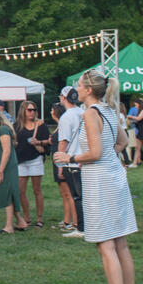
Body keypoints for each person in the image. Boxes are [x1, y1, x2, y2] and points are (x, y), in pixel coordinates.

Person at [53, 69, 136, 284]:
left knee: (106, 245)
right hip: (114, 177)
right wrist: (109, 156)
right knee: (121, 243)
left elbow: (96, 153)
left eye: (79, 85)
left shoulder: (91, 113)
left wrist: (69, 156)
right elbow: (120, 143)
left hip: (100, 181)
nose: (76, 89)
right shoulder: (109, 110)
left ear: (88, 90)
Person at [0, 107, 28, 234]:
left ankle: (9, 226)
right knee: (6, 193)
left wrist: (1, 170)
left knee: (7, 193)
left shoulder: (3, 130)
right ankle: (20, 221)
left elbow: (7, 151)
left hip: (6, 167)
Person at [13, 100, 49, 228]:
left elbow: (48, 141)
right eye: (29, 110)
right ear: (23, 111)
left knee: (37, 189)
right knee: (21, 191)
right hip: (21, 160)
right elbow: (14, 142)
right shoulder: (16, 126)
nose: (32, 112)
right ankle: (27, 217)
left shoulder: (41, 125)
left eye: (34, 110)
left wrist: (38, 142)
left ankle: (39, 218)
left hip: (35, 159)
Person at [58, 87, 85, 238]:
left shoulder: (66, 117)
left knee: (77, 196)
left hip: (72, 160)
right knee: (85, 196)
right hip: (85, 158)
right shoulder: (83, 112)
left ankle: (81, 228)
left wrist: (60, 164)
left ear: (64, 98)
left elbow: (64, 141)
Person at [49, 102, 75, 231]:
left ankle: (75, 222)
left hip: (62, 162)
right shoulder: (58, 126)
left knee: (69, 193)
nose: (50, 112)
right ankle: (66, 220)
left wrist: (61, 165)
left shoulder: (64, 125)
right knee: (64, 194)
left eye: (52, 110)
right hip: (57, 162)